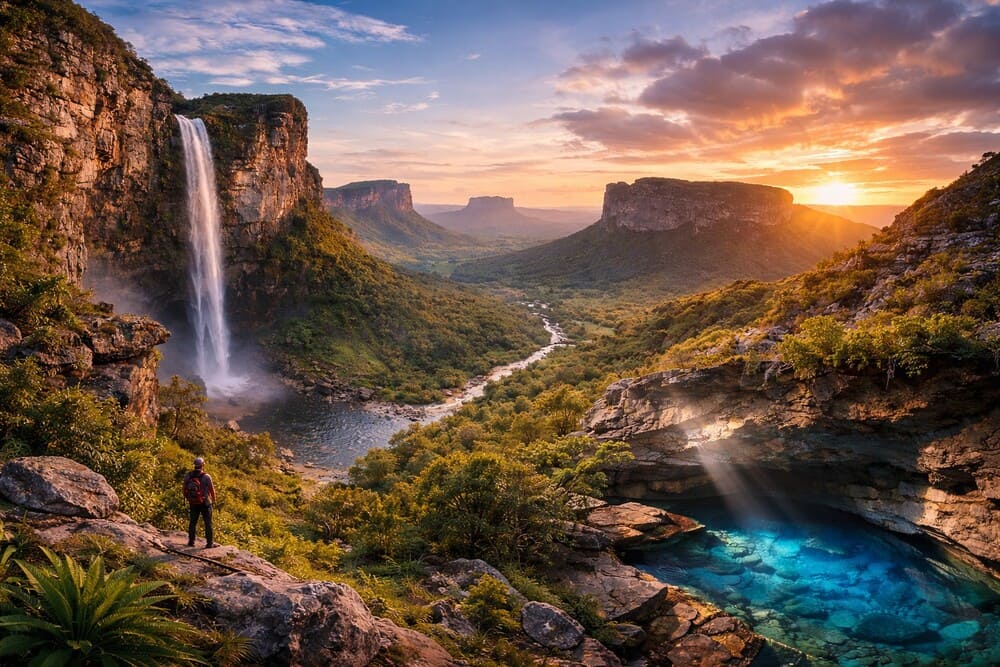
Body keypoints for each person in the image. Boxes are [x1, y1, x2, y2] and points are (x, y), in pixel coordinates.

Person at [183, 457, 218, 548]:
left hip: (193, 502)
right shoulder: (206, 476)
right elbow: (212, 490)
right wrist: (214, 500)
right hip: (205, 502)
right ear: (203, 465)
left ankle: (191, 542)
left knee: (193, 522)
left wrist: (188, 499)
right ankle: (209, 543)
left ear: (194, 465)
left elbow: (184, 489)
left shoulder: (188, 475)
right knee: (208, 523)